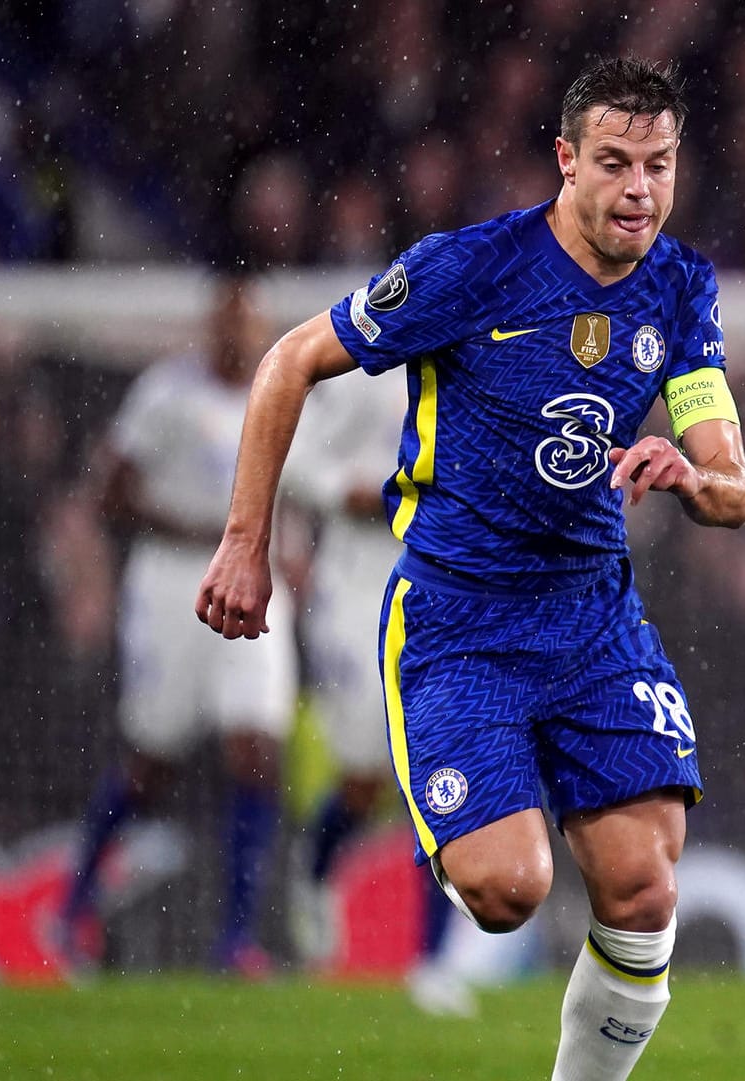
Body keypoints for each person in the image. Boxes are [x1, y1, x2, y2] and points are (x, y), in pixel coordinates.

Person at [195, 58, 745, 1081]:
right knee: (509, 893)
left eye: (660, 166)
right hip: (462, 618)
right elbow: (287, 363)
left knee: (643, 888)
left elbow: (734, 487)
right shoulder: (472, 268)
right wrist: (246, 542)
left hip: (592, 617)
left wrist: (691, 472)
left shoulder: (681, 285)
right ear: (566, 161)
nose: (640, 189)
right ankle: (468, 813)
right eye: (617, 163)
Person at [61, 273, 297, 976]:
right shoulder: (167, 394)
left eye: (248, 322)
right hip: (174, 582)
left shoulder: (283, 393)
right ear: (210, 328)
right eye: (227, 321)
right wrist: (204, 530)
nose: (238, 334)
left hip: (255, 582)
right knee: (150, 763)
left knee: (258, 751)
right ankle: (72, 906)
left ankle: (236, 940)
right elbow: (111, 494)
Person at [280, 365, 477, 1015]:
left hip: (440, 587)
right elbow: (298, 459)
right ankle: (317, 858)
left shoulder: (477, 362)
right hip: (356, 586)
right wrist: (352, 490)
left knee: (436, 773)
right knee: (364, 778)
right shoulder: (363, 366)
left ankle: (433, 960)